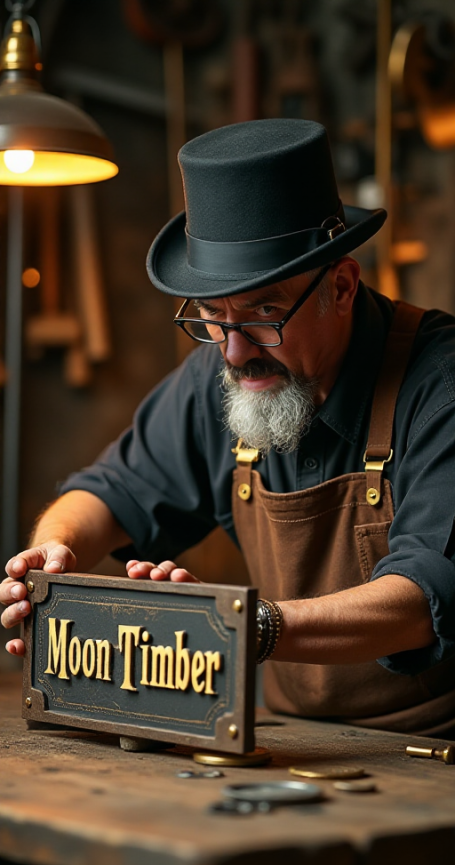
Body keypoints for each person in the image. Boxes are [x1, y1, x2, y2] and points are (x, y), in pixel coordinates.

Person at [2, 118, 455, 735]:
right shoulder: (222, 375)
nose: (234, 352)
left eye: (265, 311)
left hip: (438, 752)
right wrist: (53, 554)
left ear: (342, 288)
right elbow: (110, 491)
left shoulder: (440, 385)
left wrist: (236, 626)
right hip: (302, 740)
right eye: (213, 316)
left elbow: (420, 600)